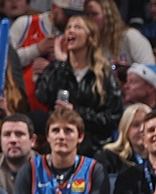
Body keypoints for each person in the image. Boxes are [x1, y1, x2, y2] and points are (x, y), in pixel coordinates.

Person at [33, 14, 123, 154]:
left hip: (95, 149)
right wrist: (61, 64)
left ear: (90, 37)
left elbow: (113, 118)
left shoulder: (104, 75)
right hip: (59, 147)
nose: (70, 30)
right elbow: (42, 95)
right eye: (68, 27)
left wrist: (76, 112)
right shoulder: (58, 68)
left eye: (77, 27)